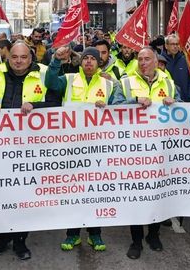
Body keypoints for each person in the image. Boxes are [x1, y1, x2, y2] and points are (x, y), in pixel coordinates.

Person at [0, 41, 53, 260]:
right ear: (9, 58)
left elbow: (56, 103)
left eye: (23, 57)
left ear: (30, 58)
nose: (18, 61)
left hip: (31, 147)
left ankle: (20, 241)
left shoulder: (43, 75)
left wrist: (35, 107)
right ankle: (2, 237)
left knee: (24, 196)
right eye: (15, 57)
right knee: (3, 194)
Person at [46, 45, 125, 252]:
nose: (89, 61)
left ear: (99, 63)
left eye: (93, 58)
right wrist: (55, 61)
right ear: (80, 62)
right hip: (71, 147)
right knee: (73, 192)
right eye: (85, 58)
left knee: (95, 192)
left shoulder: (109, 84)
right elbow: (50, 83)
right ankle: (72, 234)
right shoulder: (70, 79)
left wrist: (108, 107)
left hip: (98, 148)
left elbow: (120, 108)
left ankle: (95, 234)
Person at [120, 47, 178, 259]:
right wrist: (134, 102)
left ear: (156, 61)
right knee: (136, 196)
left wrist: (175, 103)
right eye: (140, 59)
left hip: (161, 150)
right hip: (133, 150)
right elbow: (113, 106)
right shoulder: (126, 82)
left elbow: (183, 112)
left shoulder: (169, 84)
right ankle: (136, 240)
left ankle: (153, 235)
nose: (143, 62)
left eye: (147, 59)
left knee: (157, 194)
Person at [162, 34, 190, 101]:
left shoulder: (185, 60)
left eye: (177, 44)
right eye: (172, 44)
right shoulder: (160, 61)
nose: (175, 46)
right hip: (166, 101)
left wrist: (189, 97)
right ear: (166, 46)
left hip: (184, 101)